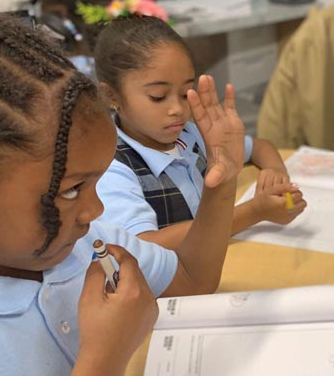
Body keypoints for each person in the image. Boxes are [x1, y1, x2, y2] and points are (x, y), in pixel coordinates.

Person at [0, 11, 248, 376]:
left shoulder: (84, 245)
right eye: (69, 191)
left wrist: (221, 186)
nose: (95, 208)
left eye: (95, 182)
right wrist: (105, 360)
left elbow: (192, 280)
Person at [93, 15, 306, 250]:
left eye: (186, 93)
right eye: (158, 97)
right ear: (111, 96)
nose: (178, 109)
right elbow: (144, 246)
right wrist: (255, 211)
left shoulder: (190, 135)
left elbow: (260, 146)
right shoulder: (111, 168)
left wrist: (274, 171)